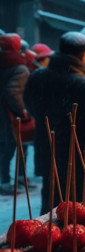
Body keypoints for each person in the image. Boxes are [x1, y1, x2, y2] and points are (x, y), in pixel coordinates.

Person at [24, 32, 85, 214]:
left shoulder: (38, 76)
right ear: (84, 55)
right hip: (77, 154)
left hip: (48, 148)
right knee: (77, 210)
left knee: (50, 203)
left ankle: (46, 239)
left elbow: (30, 106)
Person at [0, 34, 29, 194]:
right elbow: (13, 92)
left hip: (2, 114)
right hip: (10, 115)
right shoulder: (20, 67)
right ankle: (10, 182)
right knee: (14, 146)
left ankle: (6, 181)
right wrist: (21, 110)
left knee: (5, 148)